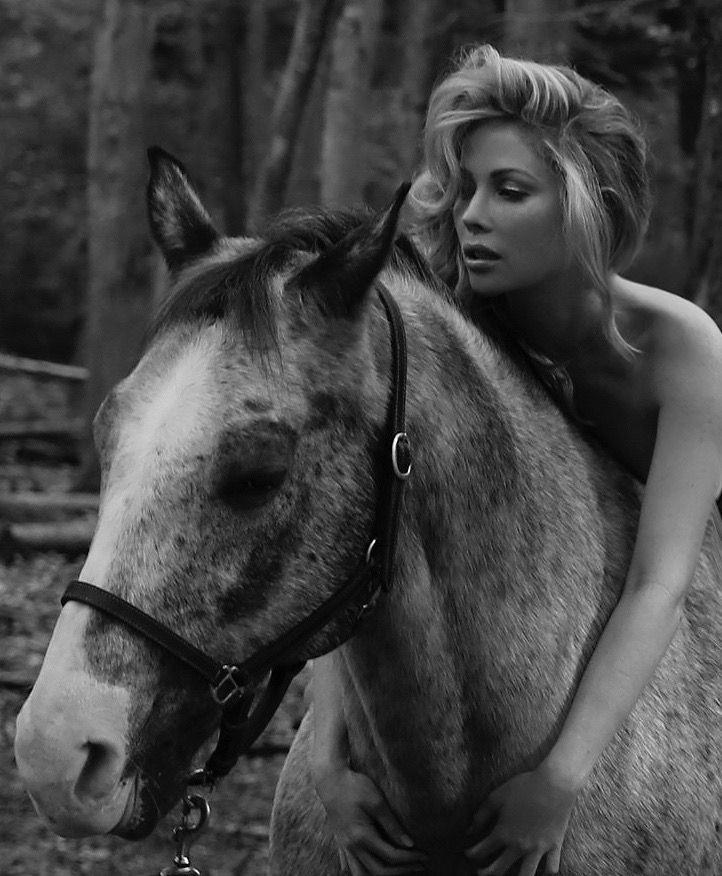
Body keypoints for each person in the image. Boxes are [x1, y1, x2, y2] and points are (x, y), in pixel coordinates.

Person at [312, 45, 722, 876]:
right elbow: (355, 542)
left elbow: (660, 582)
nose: (471, 216)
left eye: (510, 191)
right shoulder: (443, 332)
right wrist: (328, 764)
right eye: (465, 189)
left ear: (588, 209)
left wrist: (560, 781)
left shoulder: (684, 349)